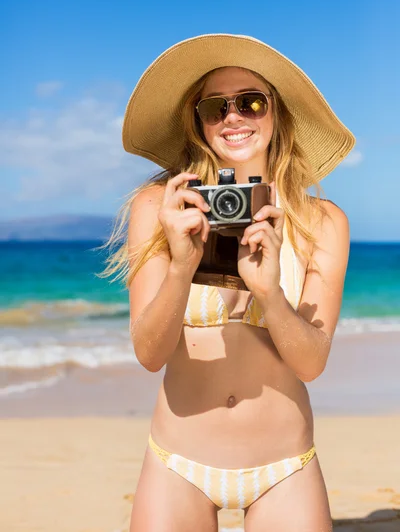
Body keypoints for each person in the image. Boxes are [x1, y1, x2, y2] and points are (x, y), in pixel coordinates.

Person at [102, 34, 356, 531]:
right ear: (198, 121)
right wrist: (180, 265)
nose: (233, 118)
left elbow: (311, 363)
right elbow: (150, 353)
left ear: (276, 113)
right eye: (215, 108)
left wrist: (269, 294)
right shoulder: (159, 209)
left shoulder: (320, 220)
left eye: (251, 102)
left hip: (285, 468)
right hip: (178, 463)